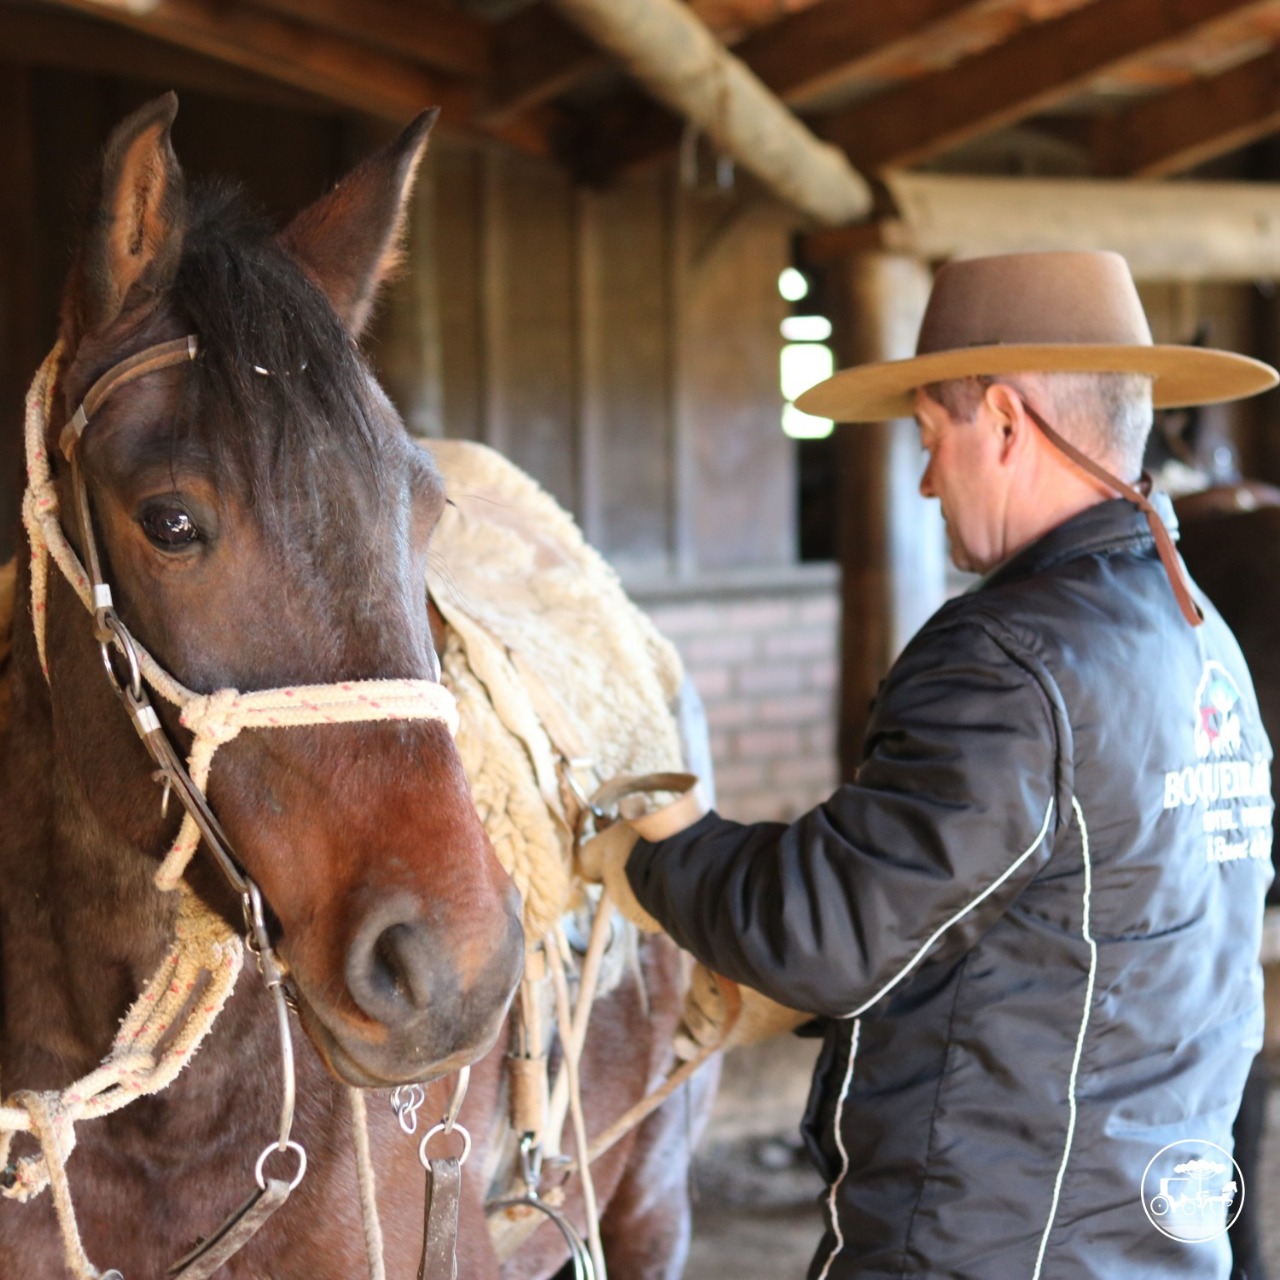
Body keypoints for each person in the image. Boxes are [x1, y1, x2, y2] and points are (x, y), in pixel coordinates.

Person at [603, 252, 1279, 1279]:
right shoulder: (1198, 638)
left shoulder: (1006, 656)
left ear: (1005, 423)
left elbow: (824, 932)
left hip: (991, 1244)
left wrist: (666, 848)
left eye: (929, 435)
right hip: (1148, 1240)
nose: (922, 477)